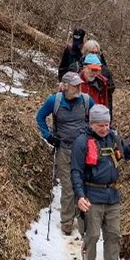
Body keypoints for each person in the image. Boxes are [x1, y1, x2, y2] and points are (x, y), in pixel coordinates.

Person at [72, 105, 130, 260]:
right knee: (92, 236)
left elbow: (125, 153)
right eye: (100, 125)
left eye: (107, 124)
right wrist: (80, 196)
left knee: (113, 235)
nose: (104, 128)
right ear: (91, 124)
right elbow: (76, 172)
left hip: (112, 196)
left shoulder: (113, 137)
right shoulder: (82, 142)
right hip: (91, 196)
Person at [35, 73, 94, 233]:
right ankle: (67, 222)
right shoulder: (54, 101)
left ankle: (82, 219)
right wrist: (48, 136)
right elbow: (40, 117)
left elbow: (97, 118)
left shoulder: (86, 100)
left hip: (83, 150)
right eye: (75, 85)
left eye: (79, 84)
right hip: (63, 149)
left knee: (82, 184)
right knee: (68, 187)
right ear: (66, 86)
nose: (79, 88)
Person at [80, 53, 114, 117]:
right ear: (84, 68)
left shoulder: (103, 82)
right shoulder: (76, 83)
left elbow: (106, 103)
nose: (94, 73)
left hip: (98, 118)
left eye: (96, 70)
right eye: (92, 70)